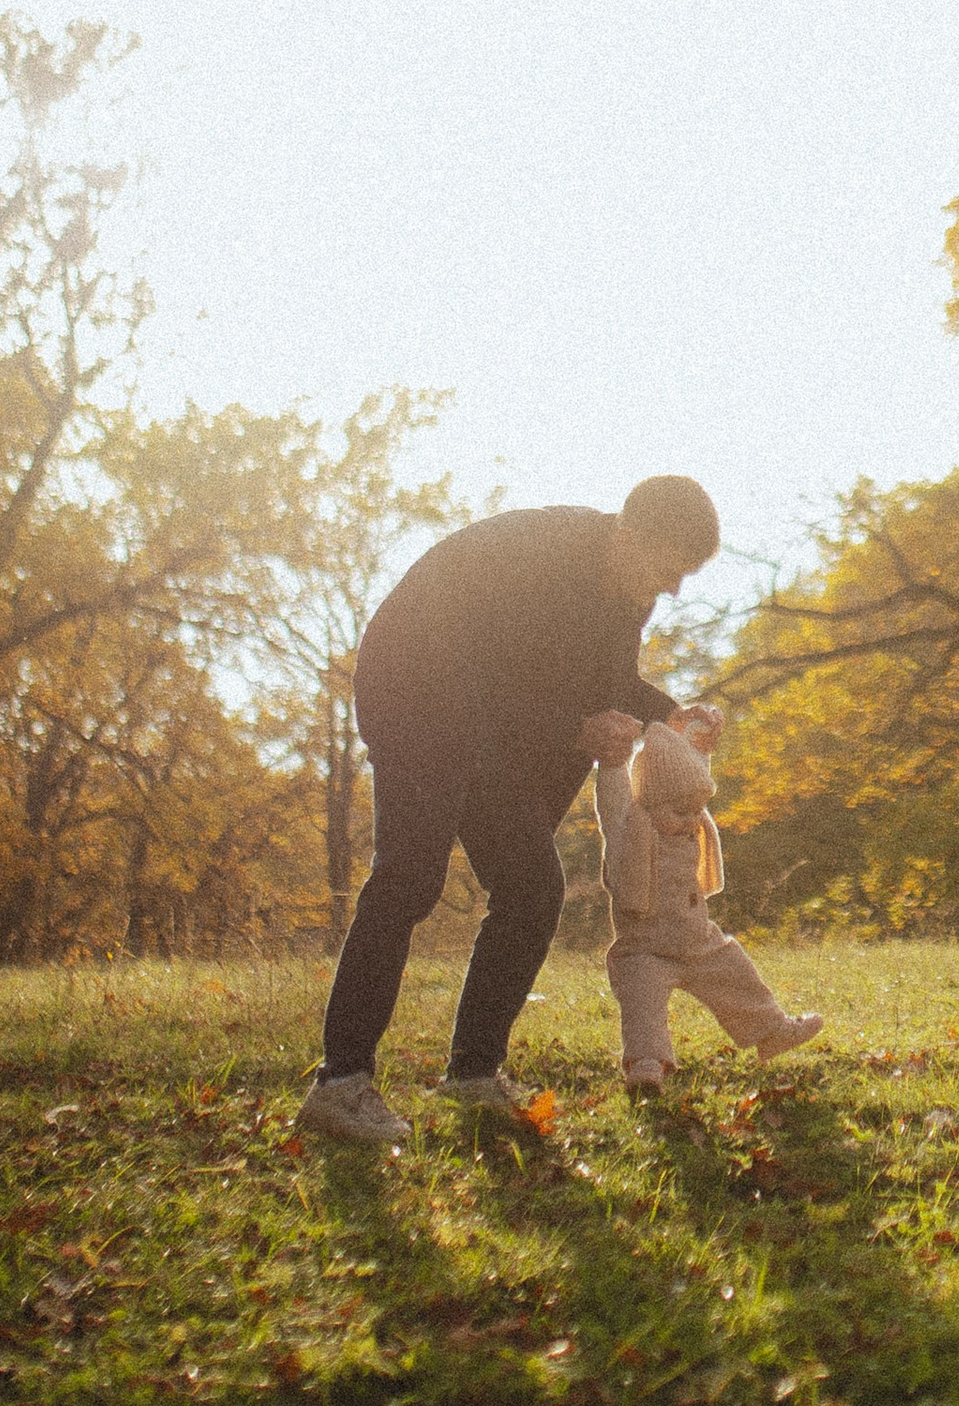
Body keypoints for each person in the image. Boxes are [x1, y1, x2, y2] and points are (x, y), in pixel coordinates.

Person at [298, 476, 722, 1146]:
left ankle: (472, 1075)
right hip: (413, 682)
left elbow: (600, 679)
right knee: (410, 876)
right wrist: (576, 729)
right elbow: (484, 683)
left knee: (531, 887)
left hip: (482, 715)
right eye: (670, 569)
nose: (673, 589)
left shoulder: (625, 590)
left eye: (685, 576)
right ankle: (340, 1083)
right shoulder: (544, 562)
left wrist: (666, 713)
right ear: (628, 537)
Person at [594, 720, 822, 1087]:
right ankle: (647, 1064)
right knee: (642, 1007)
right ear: (650, 801)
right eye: (681, 812)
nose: (692, 821)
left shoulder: (690, 823)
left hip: (696, 940)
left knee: (736, 973)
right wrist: (612, 765)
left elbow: (691, 783)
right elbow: (613, 803)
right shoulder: (629, 830)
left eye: (697, 811)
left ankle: (772, 1031)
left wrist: (699, 745)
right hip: (644, 949)